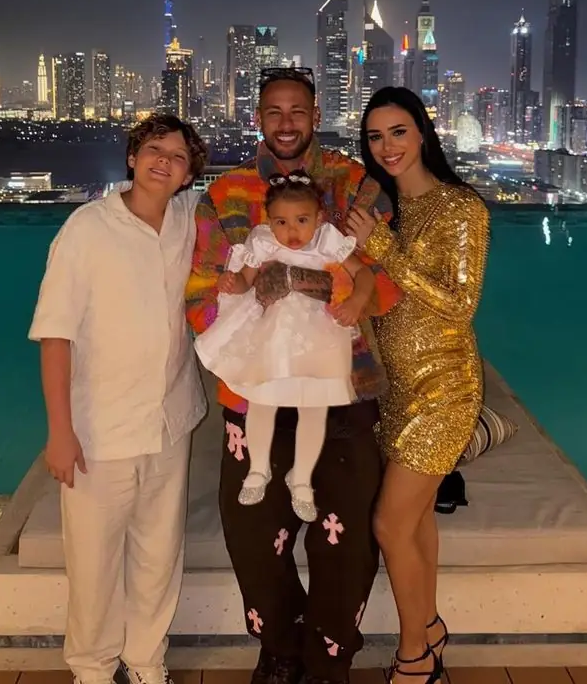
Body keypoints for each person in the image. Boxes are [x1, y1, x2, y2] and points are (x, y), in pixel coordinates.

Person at [186, 67, 401, 684]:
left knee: (346, 539)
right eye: (274, 112)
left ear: (315, 115)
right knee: (254, 535)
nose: (286, 123)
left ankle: (329, 658)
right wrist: (245, 313)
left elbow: (386, 283)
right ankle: (279, 650)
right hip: (252, 392)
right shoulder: (225, 193)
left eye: (298, 111)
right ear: (258, 118)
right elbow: (200, 292)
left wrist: (316, 287)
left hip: (342, 387)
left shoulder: (355, 185)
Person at [29, 115, 209, 684]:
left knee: (160, 554)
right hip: (98, 428)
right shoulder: (87, 229)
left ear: (188, 175)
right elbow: (55, 335)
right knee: (93, 562)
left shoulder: (189, 220)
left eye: (178, 157)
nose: (164, 162)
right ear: (132, 157)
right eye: (154, 149)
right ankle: (92, 667)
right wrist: (60, 432)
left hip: (169, 421)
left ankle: (147, 660)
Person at [346, 87, 490, 684]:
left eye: (398, 131)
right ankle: (428, 627)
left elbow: (459, 304)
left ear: (423, 132)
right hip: (396, 389)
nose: (388, 146)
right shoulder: (384, 211)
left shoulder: (461, 207)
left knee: (389, 523)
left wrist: (383, 249)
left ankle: (415, 658)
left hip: (446, 390)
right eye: (376, 137)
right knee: (418, 517)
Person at [194, 170, 377, 523]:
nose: (292, 231)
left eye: (301, 220)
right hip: (275, 332)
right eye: (281, 221)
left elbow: (363, 274)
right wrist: (233, 283)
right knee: (263, 400)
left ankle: (302, 478)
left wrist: (356, 300)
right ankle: (258, 468)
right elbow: (247, 280)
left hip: (319, 334)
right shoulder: (263, 241)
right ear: (269, 220)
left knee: (314, 407)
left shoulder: (327, 239)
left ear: (318, 218)